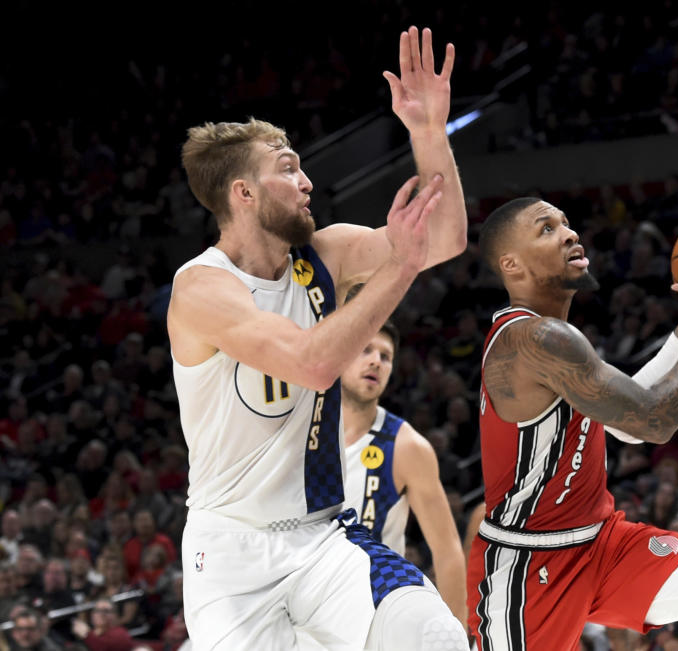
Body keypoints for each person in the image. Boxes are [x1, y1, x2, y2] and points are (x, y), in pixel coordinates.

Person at [167, 27, 468, 650]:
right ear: (242, 194)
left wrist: (429, 132)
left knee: (435, 636)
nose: (307, 181)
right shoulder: (201, 288)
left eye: (301, 166)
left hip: (325, 534)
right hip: (230, 554)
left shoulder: (323, 254)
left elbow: (444, 239)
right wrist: (400, 267)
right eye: (287, 168)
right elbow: (311, 363)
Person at [469, 197, 678, 650]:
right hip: (528, 567)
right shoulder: (534, 339)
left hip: (601, 545)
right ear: (511, 264)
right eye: (547, 229)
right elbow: (655, 422)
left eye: (567, 223)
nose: (571, 234)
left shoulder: (556, 337)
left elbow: (627, 424)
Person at [341, 314, 468, 628]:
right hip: (303, 612)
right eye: (365, 350)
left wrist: (456, 640)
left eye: (386, 356)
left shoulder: (407, 447)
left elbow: (448, 553)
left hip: (371, 617)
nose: (376, 362)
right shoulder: (301, 427)